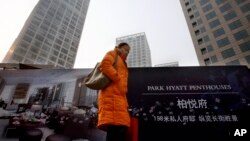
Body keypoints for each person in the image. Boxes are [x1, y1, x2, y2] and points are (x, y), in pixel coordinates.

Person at [97, 42, 131, 141]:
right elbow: (104, 65)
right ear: (119, 48)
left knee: (121, 127)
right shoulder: (112, 53)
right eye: (125, 49)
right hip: (111, 97)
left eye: (128, 51)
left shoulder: (123, 62)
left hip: (119, 98)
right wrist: (117, 78)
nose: (127, 52)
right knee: (115, 128)